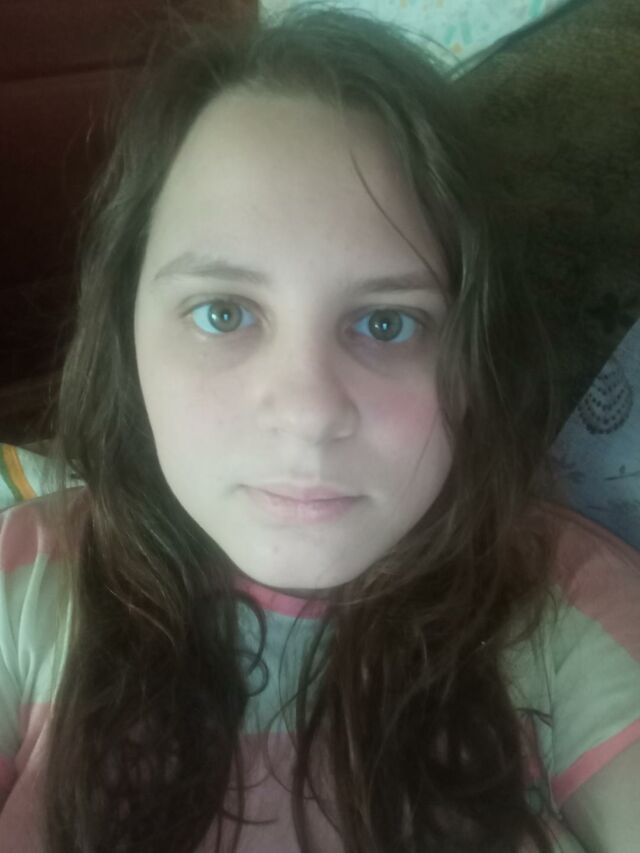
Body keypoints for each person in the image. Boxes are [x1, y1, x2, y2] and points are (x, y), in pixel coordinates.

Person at [1, 4, 639, 852]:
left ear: (473, 355)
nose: (307, 412)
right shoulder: (23, 583)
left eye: (386, 323)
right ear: (126, 334)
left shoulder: (564, 605)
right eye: (223, 312)